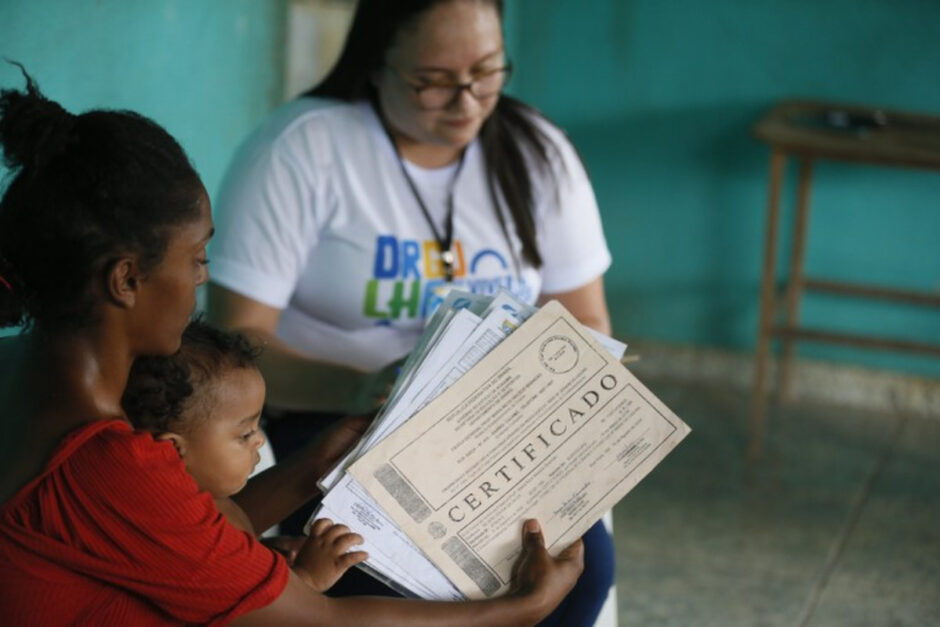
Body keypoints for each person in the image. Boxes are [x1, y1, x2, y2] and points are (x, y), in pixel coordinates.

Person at [0, 71, 583, 625]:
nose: (202, 278)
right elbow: (319, 621)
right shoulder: (103, 460)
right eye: (197, 257)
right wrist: (521, 610)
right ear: (126, 280)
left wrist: (313, 466)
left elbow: (180, 535)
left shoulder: (27, 369)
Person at [207, 0, 615, 623]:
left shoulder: (539, 154)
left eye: (487, 72)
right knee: (387, 572)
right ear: (377, 64)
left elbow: (586, 323)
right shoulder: (303, 149)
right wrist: (365, 386)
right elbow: (238, 338)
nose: (467, 101)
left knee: (578, 572)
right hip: (334, 428)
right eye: (433, 82)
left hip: (496, 436)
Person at [122, 317, 367, 587]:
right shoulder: (183, 534)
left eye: (257, 426)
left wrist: (264, 553)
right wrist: (308, 577)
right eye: (245, 434)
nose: (260, 440)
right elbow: (261, 613)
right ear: (172, 449)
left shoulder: (212, 508)